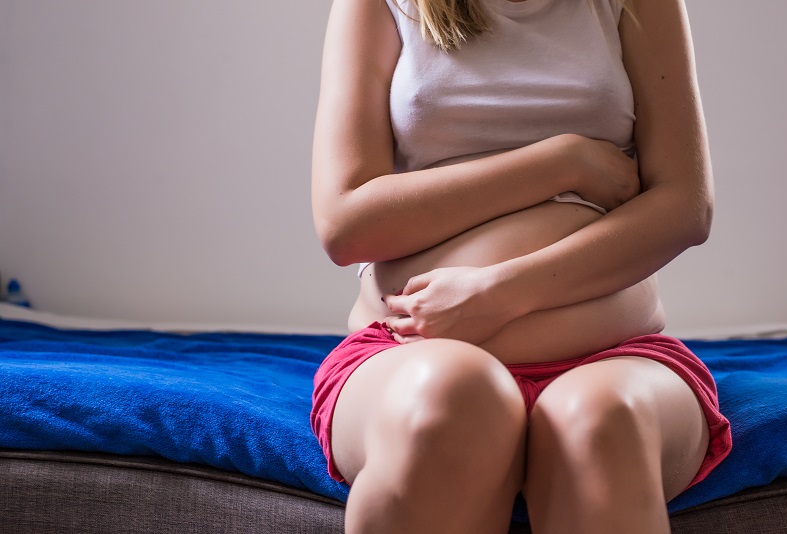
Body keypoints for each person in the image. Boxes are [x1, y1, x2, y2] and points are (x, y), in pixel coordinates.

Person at [309, 0, 733, 532]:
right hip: (409, 351)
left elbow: (685, 208)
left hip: (613, 354)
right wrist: (562, 162)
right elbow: (346, 223)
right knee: (451, 400)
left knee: (602, 423)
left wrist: (499, 294)